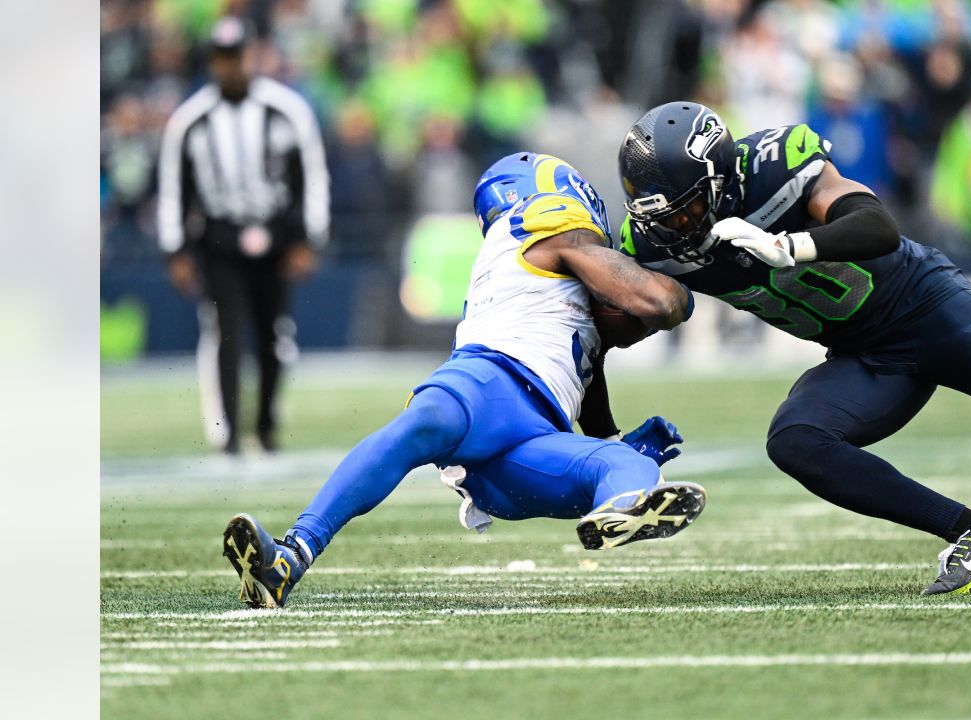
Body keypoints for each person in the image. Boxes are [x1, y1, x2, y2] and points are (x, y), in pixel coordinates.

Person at [615, 102, 971, 596]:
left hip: (932, 308)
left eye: (685, 210)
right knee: (795, 441)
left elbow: (878, 225)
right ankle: (970, 531)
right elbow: (610, 308)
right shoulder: (654, 245)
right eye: (657, 217)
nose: (673, 229)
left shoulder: (775, 163)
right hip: (868, 357)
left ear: (717, 179)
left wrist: (792, 244)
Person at [223, 152, 702, 609]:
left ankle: (623, 504)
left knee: (621, 463)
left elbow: (590, 399)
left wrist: (620, 443)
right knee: (426, 421)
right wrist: (691, 282)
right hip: (492, 386)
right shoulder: (553, 232)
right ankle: (290, 556)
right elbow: (658, 304)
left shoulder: (558, 279)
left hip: (518, 447)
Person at [157, 17, 328, 454]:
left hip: (275, 235)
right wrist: (174, 249)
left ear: (252, 55)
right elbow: (174, 188)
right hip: (219, 239)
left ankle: (266, 425)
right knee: (224, 333)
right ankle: (228, 432)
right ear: (213, 61)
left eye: (238, 56)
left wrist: (309, 239)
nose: (231, 67)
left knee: (274, 336)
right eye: (223, 58)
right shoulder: (191, 120)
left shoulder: (287, 110)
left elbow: (311, 177)